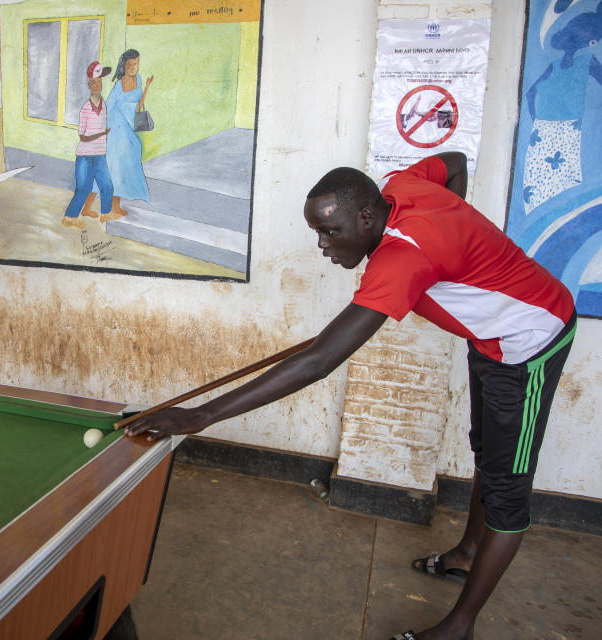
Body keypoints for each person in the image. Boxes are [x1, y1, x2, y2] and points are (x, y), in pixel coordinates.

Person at [125, 152, 577, 640]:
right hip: (489, 339)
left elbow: (318, 362)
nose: (322, 245)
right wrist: (452, 255)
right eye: (317, 232)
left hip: (531, 338)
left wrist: (201, 415)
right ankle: (468, 554)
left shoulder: (403, 259)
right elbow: (456, 162)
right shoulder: (400, 185)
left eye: (331, 232)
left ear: (367, 216)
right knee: (487, 452)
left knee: (507, 489)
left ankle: (460, 627)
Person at [100, 49, 153, 217]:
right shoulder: (120, 84)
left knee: (132, 155)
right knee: (118, 166)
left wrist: (147, 88)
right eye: (130, 65)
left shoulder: (139, 79)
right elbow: (108, 107)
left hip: (128, 126)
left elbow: (139, 104)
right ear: (125, 65)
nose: (133, 67)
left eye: (136, 64)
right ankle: (113, 205)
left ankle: (117, 203)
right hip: (115, 128)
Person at [62, 61, 115, 230]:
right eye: (94, 83)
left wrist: (103, 139)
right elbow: (83, 137)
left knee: (107, 186)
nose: (97, 86)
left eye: (99, 82)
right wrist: (102, 134)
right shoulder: (85, 109)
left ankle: (106, 213)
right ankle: (69, 218)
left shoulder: (104, 106)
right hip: (85, 156)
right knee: (83, 189)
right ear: (89, 85)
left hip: (99, 154)